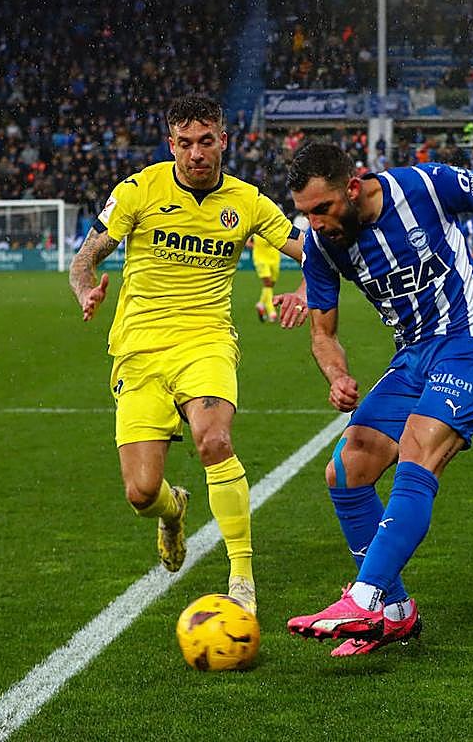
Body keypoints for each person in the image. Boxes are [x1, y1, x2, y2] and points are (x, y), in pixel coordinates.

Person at [283, 143, 473, 656]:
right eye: (305, 213)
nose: (314, 223)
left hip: (471, 344)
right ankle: (394, 612)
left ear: (353, 187)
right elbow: (322, 332)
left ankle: (364, 597)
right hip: (412, 357)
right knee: (346, 470)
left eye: (321, 209)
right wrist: (337, 374)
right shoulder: (323, 247)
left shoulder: (421, 186)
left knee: (417, 447)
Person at [68, 95, 307, 615]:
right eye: (185, 143)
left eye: (206, 141)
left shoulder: (247, 202)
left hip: (206, 340)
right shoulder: (139, 190)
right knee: (140, 491)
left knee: (215, 441)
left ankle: (241, 576)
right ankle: (172, 511)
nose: (196, 153)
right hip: (139, 350)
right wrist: (85, 290)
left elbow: (314, 250)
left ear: (224, 140)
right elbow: (84, 257)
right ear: (170, 144)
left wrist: (310, 290)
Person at [247, 233, 282, 323]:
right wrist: (257, 247)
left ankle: (261, 303)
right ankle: (271, 312)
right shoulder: (255, 226)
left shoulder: (274, 224)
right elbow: (248, 243)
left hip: (274, 257)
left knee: (270, 285)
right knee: (268, 283)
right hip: (260, 258)